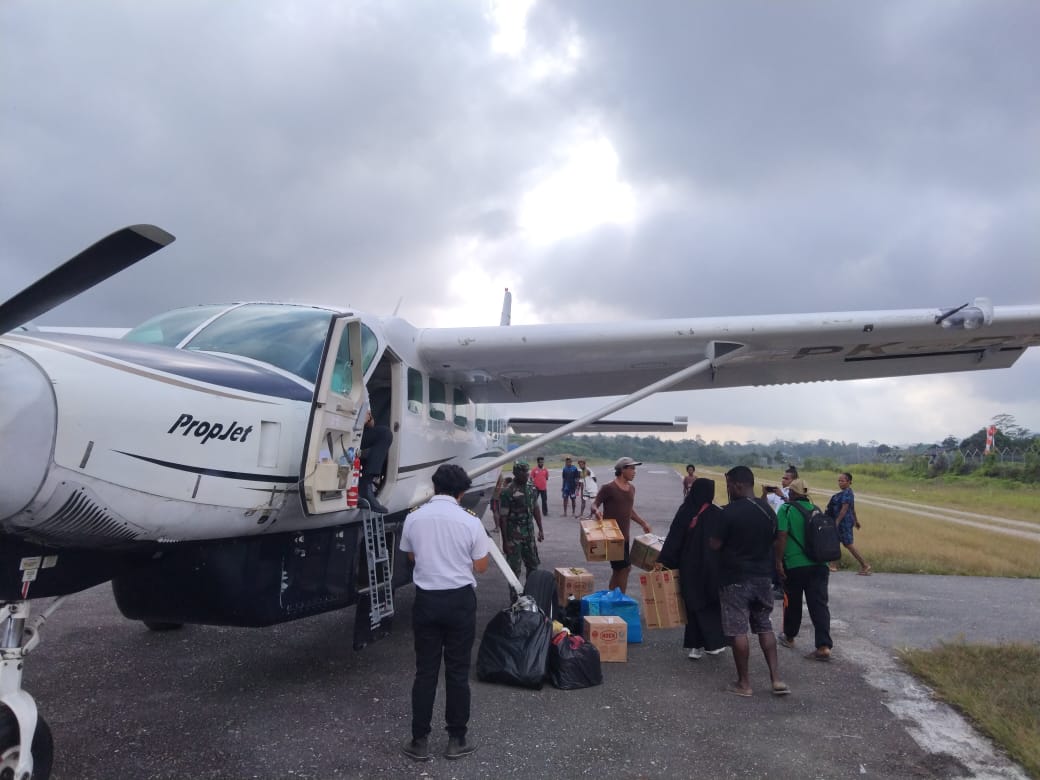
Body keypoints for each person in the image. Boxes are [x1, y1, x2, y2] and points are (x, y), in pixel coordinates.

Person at [399, 464, 491, 762]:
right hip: (459, 601)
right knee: (457, 671)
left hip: (426, 600)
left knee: (425, 672)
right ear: (462, 491)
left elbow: (411, 556)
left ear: (434, 486)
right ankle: (456, 739)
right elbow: (480, 566)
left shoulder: (414, 517)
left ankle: (419, 741)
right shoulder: (470, 521)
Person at [708, 465, 790, 697]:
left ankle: (744, 684)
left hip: (735, 579)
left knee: (738, 630)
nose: (728, 490)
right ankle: (776, 679)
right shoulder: (768, 511)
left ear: (738, 485)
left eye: (729, 485)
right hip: (763, 578)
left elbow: (715, 545)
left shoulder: (729, 512)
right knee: (765, 625)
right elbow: (775, 540)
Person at [657, 477, 726, 659]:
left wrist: (665, 561)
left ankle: (695, 647)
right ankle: (714, 644)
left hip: (689, 567)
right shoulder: (717, 513)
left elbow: (674, 538)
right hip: (712, 568)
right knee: (711, 604)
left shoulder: (686, 510)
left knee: (692, 605)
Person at [774, 478, 833, 661]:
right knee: (819, 605)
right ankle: (823, 646)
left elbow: (781, 535)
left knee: (792, 602)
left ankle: (790, 636)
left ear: (791, 493)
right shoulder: (816, 510)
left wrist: (778, 561)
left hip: (796, 564)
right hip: (819, 565)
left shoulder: (786, 509)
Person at [592, 457, 651, 594]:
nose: (634, 472)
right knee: (625, 568)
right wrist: (596, 511)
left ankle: (612, 597)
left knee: (618, 569)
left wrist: (643, 523)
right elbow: (595, 504)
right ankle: (620, 600)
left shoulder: (632, 489)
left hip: (625, 537)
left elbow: (629, 510)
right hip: (611, 536)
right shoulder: (608, 488)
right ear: (622, 469)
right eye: (631, 468)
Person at [496, 460, 544, 578]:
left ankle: (531, 593)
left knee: (533, 566)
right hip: (514, 538)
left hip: (529, 535)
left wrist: (540, 529)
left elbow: (536, 509)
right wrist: (505, 542)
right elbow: (503, 518)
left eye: (526, 471)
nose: (526, 474)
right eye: (522, 471)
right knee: (514, 570)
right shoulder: (507, 492)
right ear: (515, 473)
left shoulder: (530, 488)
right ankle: (515, 596)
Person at [826, 472, 872, 575]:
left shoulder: (847, 493)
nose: (840, 483)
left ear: (849, 482)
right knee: (835, 541)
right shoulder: (846, 493)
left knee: (848, 544)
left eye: (842, 481)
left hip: (844, 523)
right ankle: (833, 565)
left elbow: (845, 509)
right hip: (844, 522)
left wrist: (837, 522)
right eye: (839, 481)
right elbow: (853, 509)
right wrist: (856, 520)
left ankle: (865, 565)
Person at [358, 409, 392, 514]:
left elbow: (371, 425)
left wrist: (368, 419)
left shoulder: (363, 394)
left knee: (385, 433)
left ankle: (366, 484)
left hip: (358, 432)